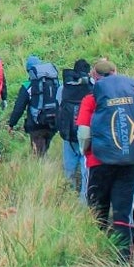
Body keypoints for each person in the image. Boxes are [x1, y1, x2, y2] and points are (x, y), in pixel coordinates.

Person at [76, 59, 134, 262]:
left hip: (98, 164)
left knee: (97, 212)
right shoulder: (133, 98)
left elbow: (84, 134)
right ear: (116, 73)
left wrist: (86, 151)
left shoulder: (90, 100)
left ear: (94, 76)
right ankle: (127, 259)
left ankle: (98, 256)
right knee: (124, 211)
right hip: (130, 163)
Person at [5, 55, 61, 156]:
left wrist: (11, 123)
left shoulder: (28, 86)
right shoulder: (55, 83)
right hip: (53, 123)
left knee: (38, 154)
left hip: (36, 125)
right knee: (44, 150)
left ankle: (41, 165)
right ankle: (48, 164)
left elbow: (19, 107)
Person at [56, 58, 93, 199]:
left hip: (68, 133)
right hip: (87, 134)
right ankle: (84, 200)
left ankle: (69, 198)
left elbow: (58, 105)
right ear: (88, 72)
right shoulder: (93, 87)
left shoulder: (63, 88)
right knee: (85, 169)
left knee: (69, 168)